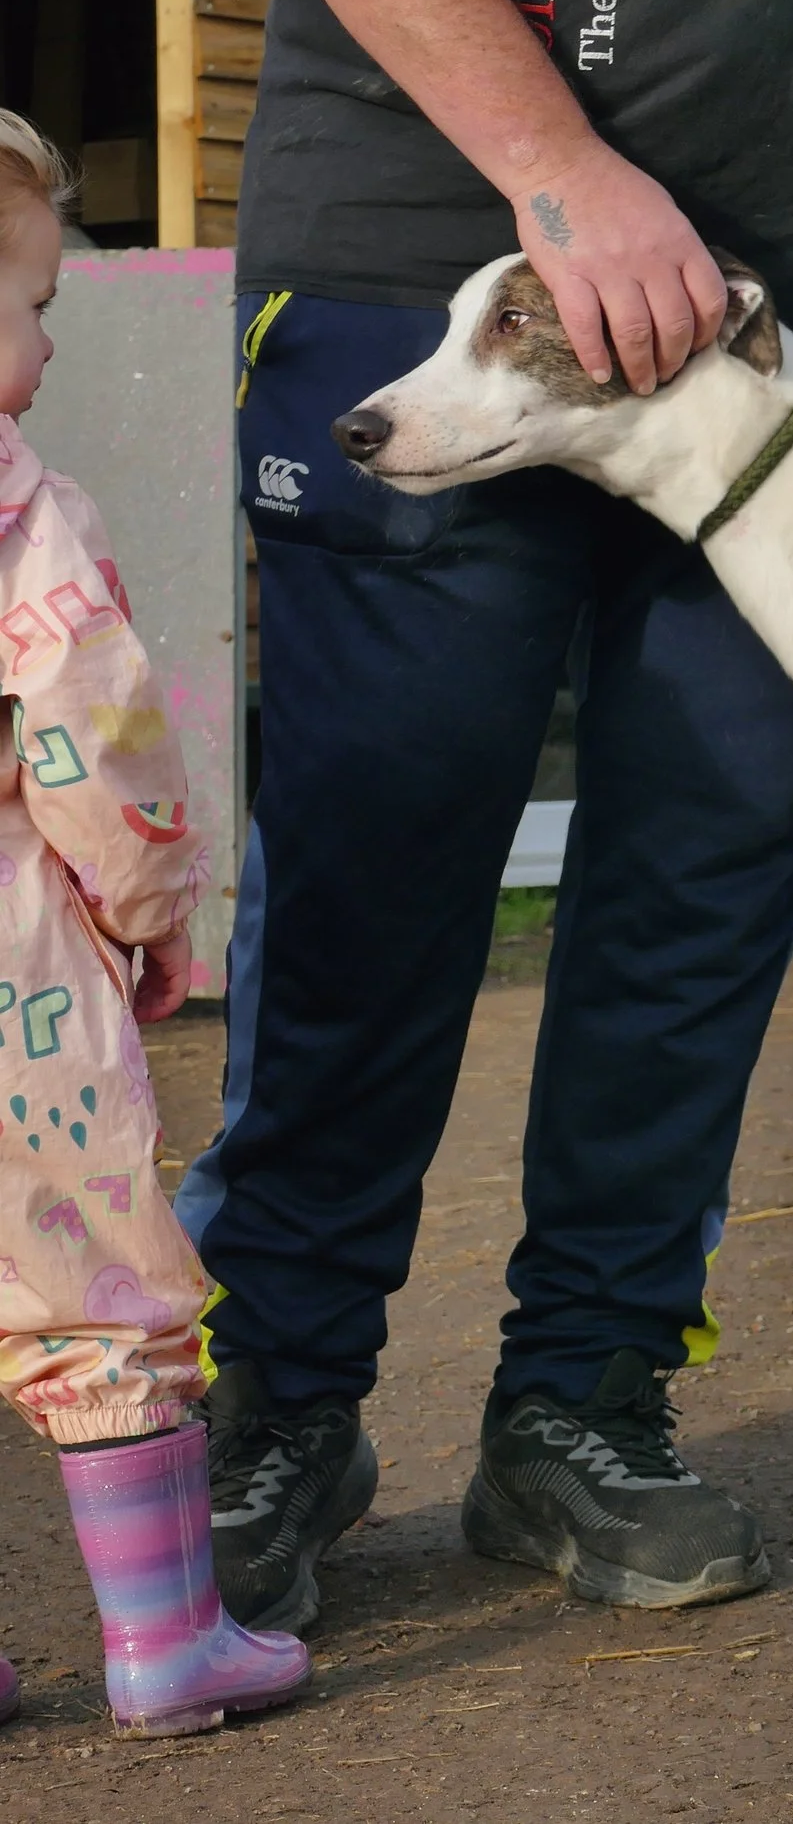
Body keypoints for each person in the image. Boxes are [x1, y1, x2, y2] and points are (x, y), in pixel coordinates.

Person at [176, 0, 793, 1631]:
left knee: (709, 873)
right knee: (370, 862)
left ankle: (584, 1400)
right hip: (439, 258)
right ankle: (279, 1399)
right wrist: (567, 178)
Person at [0, 110, 310, 1737]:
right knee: (95, 1291)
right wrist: (151, 915)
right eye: (35, 301)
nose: (52, 336)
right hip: (16, 986)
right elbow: (92, 738)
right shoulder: (25, 517)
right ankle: (164, 1644)